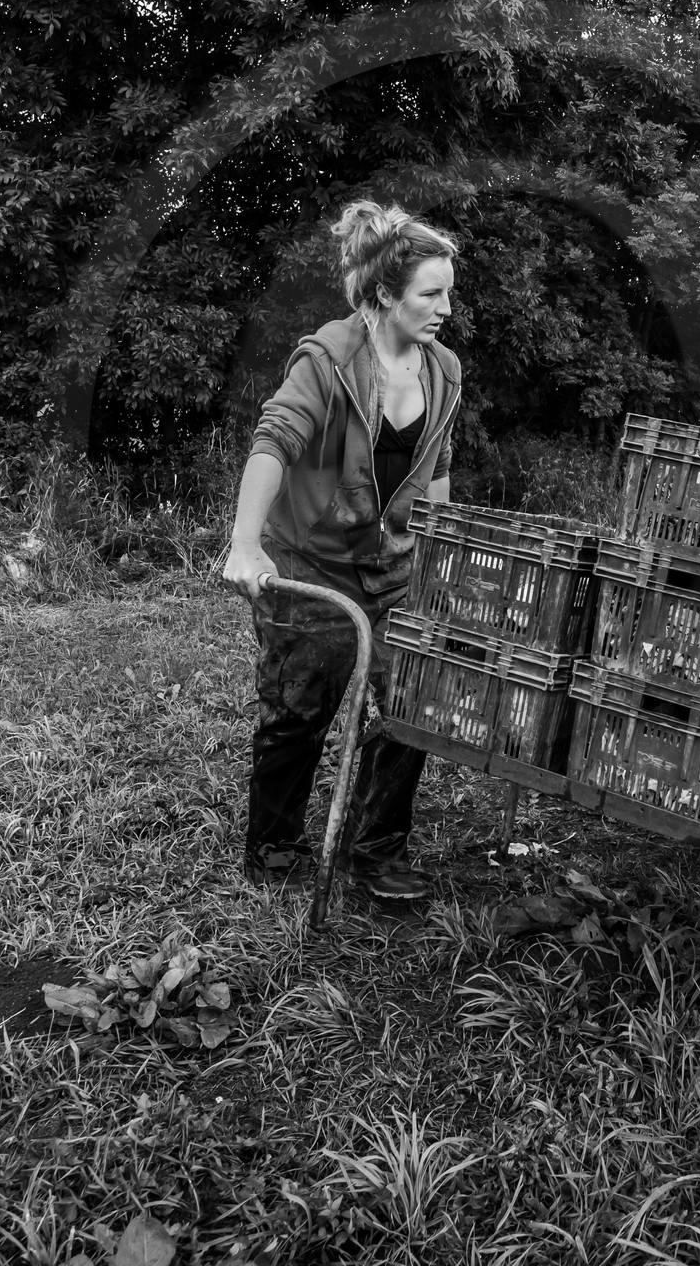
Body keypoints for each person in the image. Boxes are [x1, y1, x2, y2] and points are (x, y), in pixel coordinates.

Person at [221, 199, 461, 900]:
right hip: (311, 563)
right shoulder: (328, 358)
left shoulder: (443, 370)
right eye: (431, 293)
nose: (445, 306)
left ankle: (376, 853)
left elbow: (436, 470)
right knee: (299, 710)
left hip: (394, 566)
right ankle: (273, 852)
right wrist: (244, 544)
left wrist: (438, 560)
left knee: (410, 706)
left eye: (448, 291)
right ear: (386, 294)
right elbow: (275, 442)